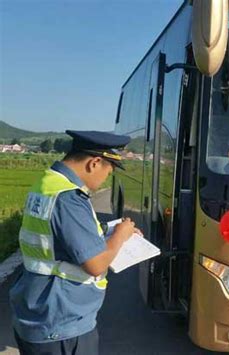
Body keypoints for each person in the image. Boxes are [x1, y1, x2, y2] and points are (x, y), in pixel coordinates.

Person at [9, 130, 139, 355]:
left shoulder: (48, 183)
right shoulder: (69, 198)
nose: (104, 181)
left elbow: (59, 234)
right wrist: (121, 235)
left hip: (38, 311)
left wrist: (109, 229)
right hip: (62, 323)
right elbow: (96, 264)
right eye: (107, 173)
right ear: (94, 163)